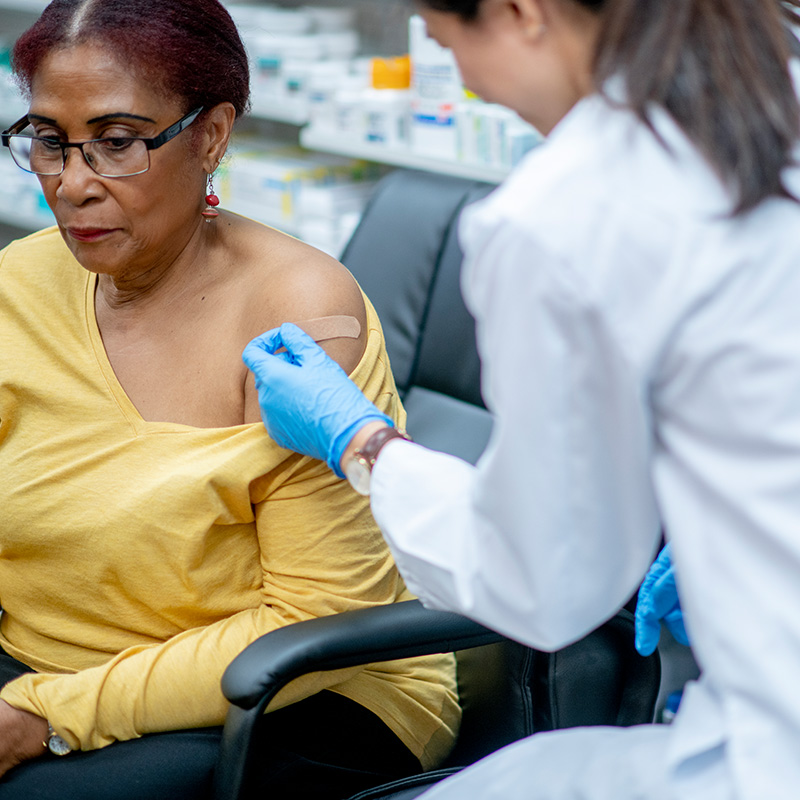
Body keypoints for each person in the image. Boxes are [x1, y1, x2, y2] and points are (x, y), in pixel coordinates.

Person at [242, 0, 800, 798]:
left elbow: (540, 585)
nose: (467, 86)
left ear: (520, 12)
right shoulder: (768, 88)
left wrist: (363, 444)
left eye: (447, 45)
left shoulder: (562, 214)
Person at [0, 1, 459, 797]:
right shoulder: (24, 283)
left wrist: (49, 712)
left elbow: (313, 618)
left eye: (117, 143)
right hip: (55, 664)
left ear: (210, 135)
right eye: (48, 142)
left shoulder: (298, 316)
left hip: (293, 692)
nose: (71, 185)